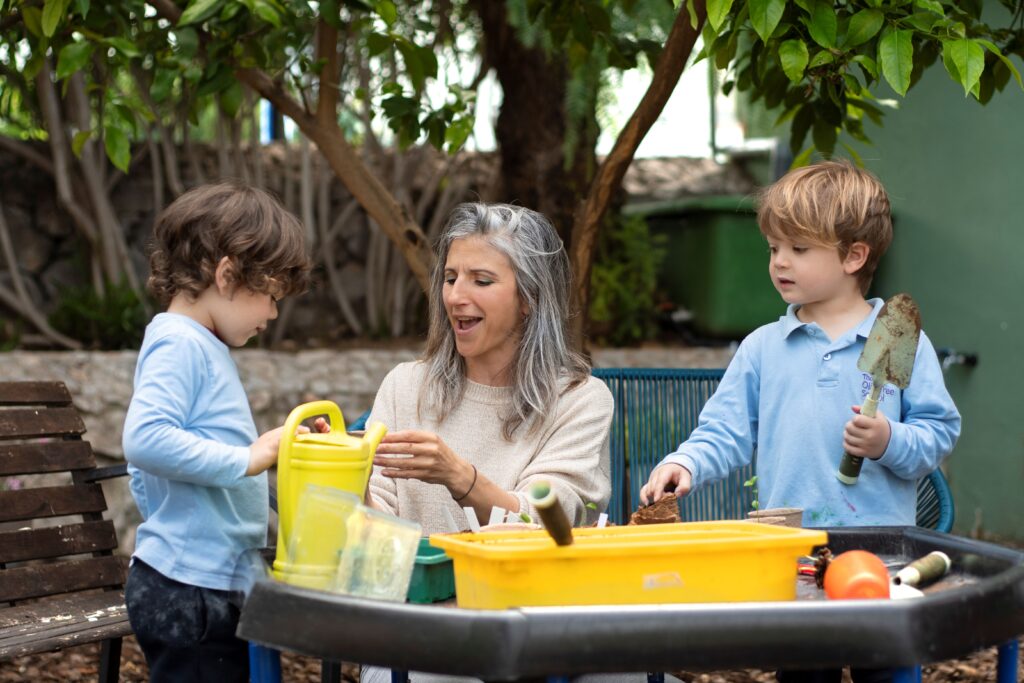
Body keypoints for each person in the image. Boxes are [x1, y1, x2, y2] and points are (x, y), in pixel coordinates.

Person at [639, 161, 961, 683]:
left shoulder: (899, 339)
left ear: (854, 256)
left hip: (882, 551)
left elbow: (938, 434)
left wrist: (887, 440)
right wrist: (687, 462)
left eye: (799, 249)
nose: (779, 262)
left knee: (890, 670)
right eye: (773, 248)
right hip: (793, 552)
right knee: (805, 673)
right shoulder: (763, 347)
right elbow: (724, 431)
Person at [122, 182, 312, 682]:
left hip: (203, 583)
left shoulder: (199, 345)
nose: (272, 315)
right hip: (189, 588)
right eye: (269, 297)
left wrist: (274, 445)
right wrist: (248, 458)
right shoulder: (180, 343)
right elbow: (145, 440)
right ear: (227, 275)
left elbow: (155, 465)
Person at [362, 202, 613, 535]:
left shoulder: (578, 401)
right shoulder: (405, 386)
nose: (454, 296)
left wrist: (460, 477)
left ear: (529, 298)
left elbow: (548, 523)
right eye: (450, 278)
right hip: (411, 586)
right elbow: (375, 523)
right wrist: (350, 479)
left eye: (481, 281)